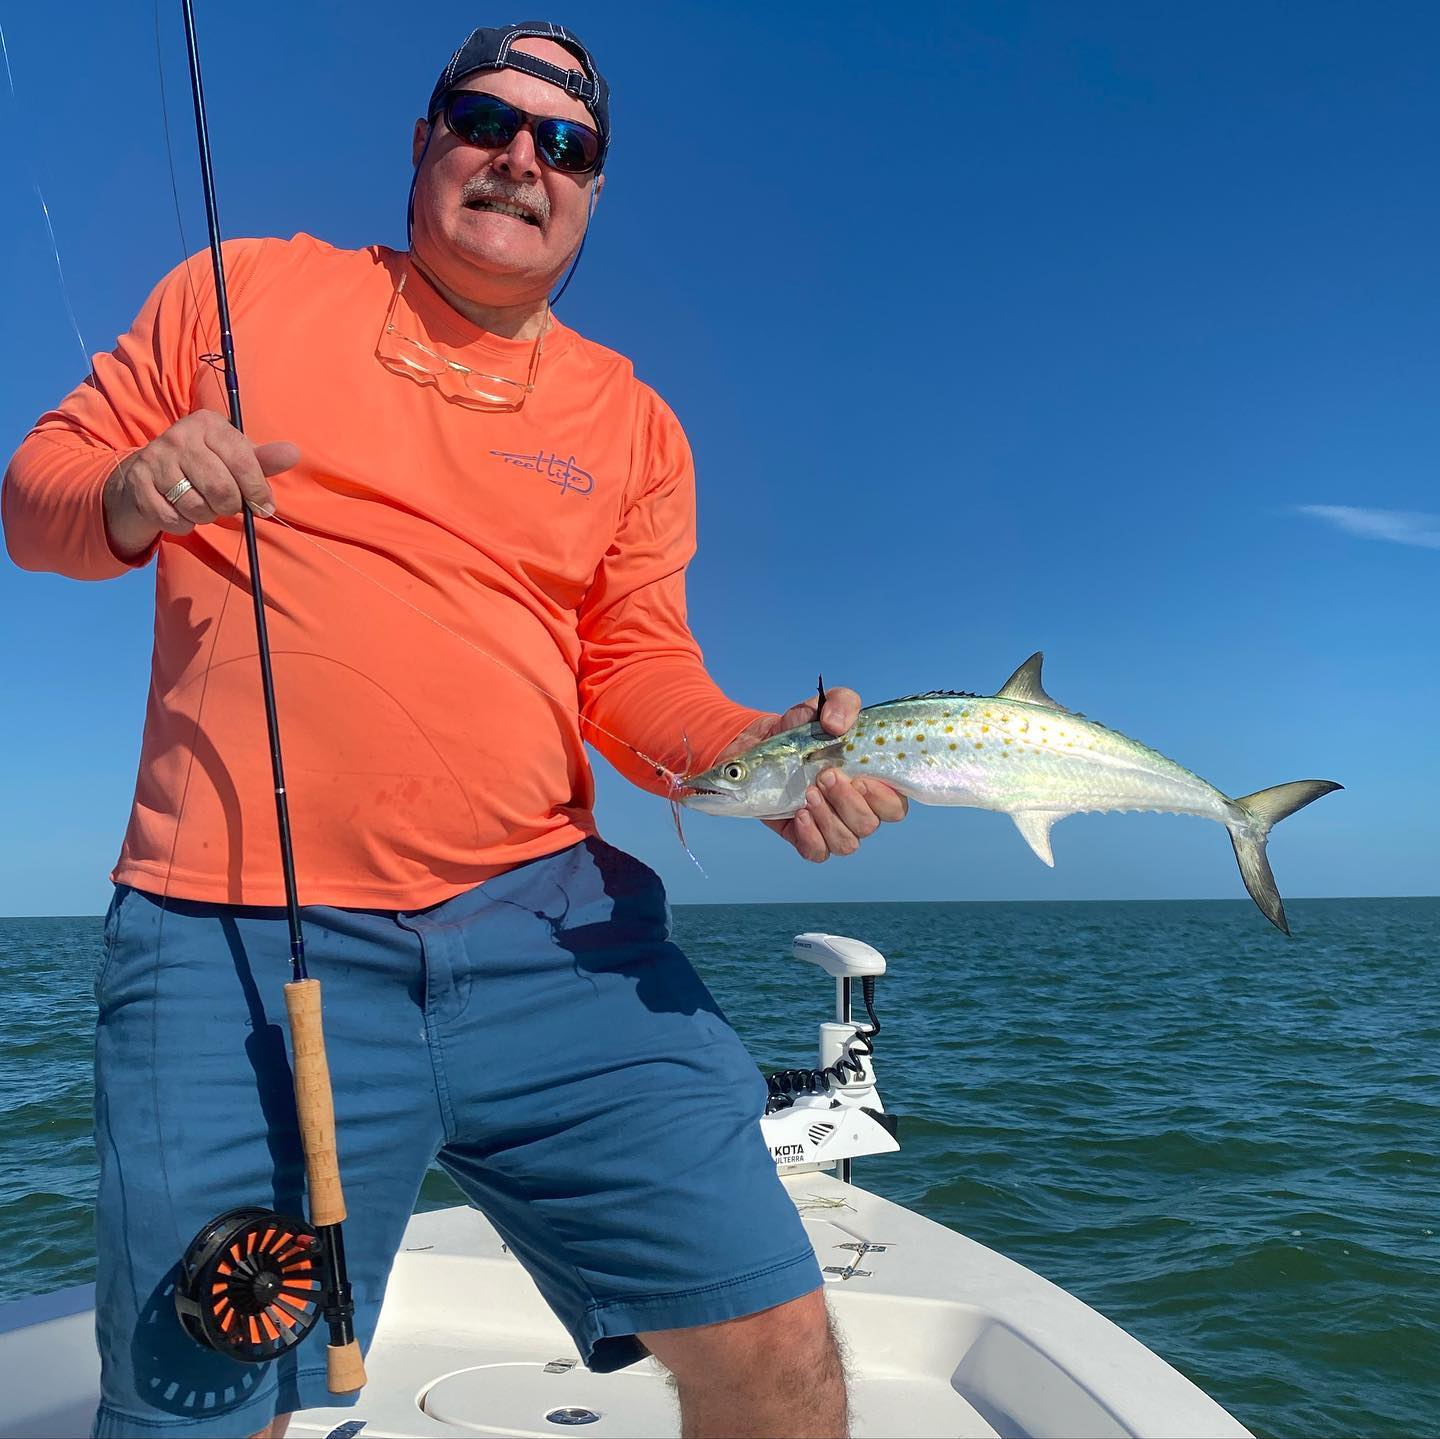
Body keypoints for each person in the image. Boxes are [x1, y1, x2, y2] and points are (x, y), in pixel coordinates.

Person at [3, 22, 907, 1439]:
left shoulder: (636, 422)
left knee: (778, 1353)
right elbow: (35, 490)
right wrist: (131, 486)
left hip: (559, 939)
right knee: (207, 1405)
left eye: (566, 143)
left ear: (594, 190)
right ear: (424, 144)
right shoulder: (241, 294)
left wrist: (762, 756)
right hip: (234, 936)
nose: (521, 158)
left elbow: (638, 676)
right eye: (486, 120)